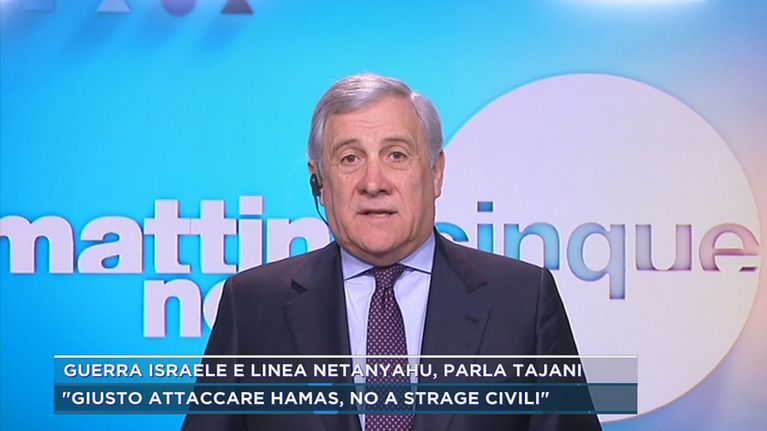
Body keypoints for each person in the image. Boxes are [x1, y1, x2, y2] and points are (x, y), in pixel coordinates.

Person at [182, 73, 602, 431]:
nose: (373, 182)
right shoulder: (252, 305)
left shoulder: (524, 300)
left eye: (396, 155)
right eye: (350, 158)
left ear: (435, 172)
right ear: (320, 182)